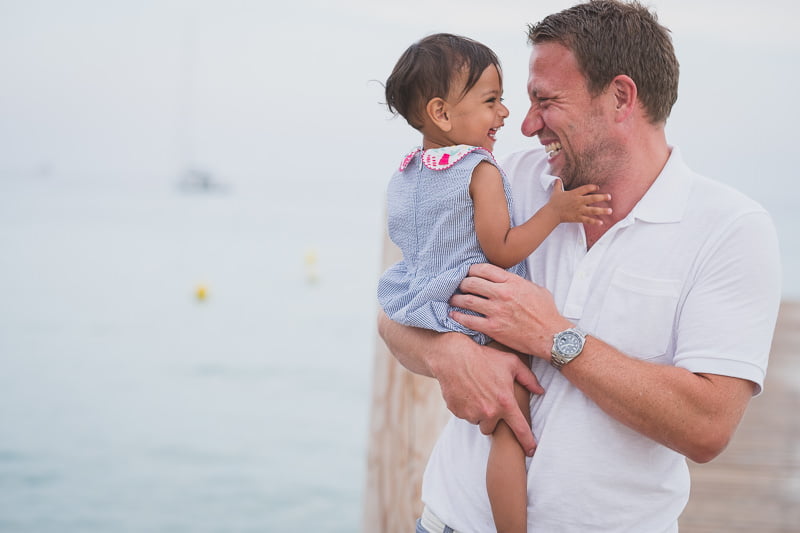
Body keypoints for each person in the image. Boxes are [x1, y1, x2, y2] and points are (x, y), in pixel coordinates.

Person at [377, 1, 782, 532]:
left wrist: (557, 338)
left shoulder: (731, 229)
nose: (524, 123)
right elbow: (394, 317)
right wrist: (449, 353)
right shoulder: (501, 180)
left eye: (545, 101)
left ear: (620, 97)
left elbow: (708, 427)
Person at [377, 33, 611, 533]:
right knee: (511, 431)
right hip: (482, 311)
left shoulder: (406, 174)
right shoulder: (478, 170)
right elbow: (502, 248)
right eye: (491, 100)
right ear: (441, 113)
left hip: (430, 305)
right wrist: (557, 211)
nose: (505, 114)